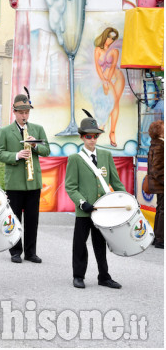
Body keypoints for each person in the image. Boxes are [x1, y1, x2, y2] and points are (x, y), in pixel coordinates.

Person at [65, 114, 126, 289]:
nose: (92, 140)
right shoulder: (75, 159)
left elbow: (115, 182)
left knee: (100, 244)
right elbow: (70, 186)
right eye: (88, 136)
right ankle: (78, 276)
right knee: (79, 244)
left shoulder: (106, 155)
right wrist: (81, 202)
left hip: (102, 210)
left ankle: (104, 276)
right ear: (82, 137)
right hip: (84, 209)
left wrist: (127, 198)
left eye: (95, 136)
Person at [0, 93, 50, 264]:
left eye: (27, 112)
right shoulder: (5, 131)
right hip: (15, 182)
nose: (24, 115)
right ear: (14, 112)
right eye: (21, 112)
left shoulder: (38, 129)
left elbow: (47, 150)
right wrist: (16, 155)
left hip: (33, 183)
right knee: (15, 218)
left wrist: (35, 146)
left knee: (33, 219)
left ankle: (31, 252)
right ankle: (15, 251)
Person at [93, 27, 124, 147]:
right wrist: (104, 82)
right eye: (109, 37)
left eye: (113, 38)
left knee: (115, 103)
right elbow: (97, 67)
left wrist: (107, 82)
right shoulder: (97, 50)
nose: (110, 40)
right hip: (105, 78)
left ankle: (112, 132)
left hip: (117, 77)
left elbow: (112, 67)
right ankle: (103, 124)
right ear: (104, 35)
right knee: (108, 102)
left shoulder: (115, 51)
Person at [147, 120, 164, 249]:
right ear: (159, 131)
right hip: (161, 184)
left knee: (160, 210)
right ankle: (160, 239)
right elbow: (157, 169)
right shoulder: (160, 145)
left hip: (158, 184)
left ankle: (157, 237)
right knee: (162, 210)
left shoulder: (155, 144)